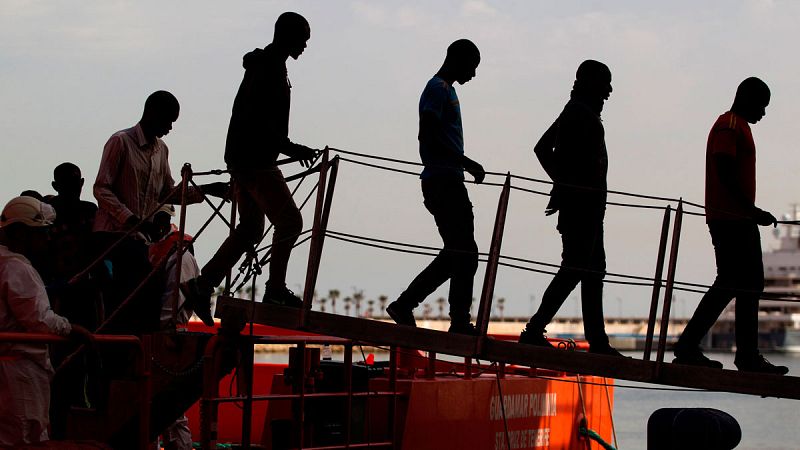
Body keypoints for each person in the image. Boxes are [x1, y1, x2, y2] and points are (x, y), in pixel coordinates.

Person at [183, 12, 318, 317]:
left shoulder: (269, 66)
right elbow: (259, 122)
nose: (305, 45)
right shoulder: (269, 68)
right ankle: (275, 290)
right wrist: (291, 148)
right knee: (290, 223)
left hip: (245, 158)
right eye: (303, 39)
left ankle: (202, 284)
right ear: (287, 36)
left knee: (251, 228)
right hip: (255, 160)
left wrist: (287, 148)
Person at [673, 77, 788, 375]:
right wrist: (752, 211)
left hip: (734, 218)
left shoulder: (736, 126)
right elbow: (724, 169)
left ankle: (703, 348)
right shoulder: (730, 125)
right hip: (732, 219)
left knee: (737, 283)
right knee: (739, 283)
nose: (763, 113)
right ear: (747, 98)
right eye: (762, 106)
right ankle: (740, 356)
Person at [93, 90, 226, 328]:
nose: (170, 128)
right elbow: (101, 189)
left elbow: (167, 193)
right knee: (142, 274)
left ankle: (171, 322)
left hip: (142, 237)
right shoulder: (120, 142)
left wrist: (207, 189)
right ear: (152, 113)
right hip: (114, 236)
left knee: (183, 254)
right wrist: (131, 220)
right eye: (168, 121)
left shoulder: (161, 150)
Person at [518, 60, 622, 356]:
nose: (609, 91)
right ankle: (535, 329)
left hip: (589, 208)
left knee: (592, 270)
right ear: (590, 83)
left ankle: (597, 341)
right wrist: (567, 186)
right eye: (605, 83)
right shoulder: (577, 112)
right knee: (576, 268)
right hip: (582, 208)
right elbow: (542, 149)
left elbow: (543, 149)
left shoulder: (578, 110)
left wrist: (564, 184)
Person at [386, 39, 485, 335]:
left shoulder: (447, 90)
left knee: (459, 252)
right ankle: (453, 319)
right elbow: (427, 133)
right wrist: (466, 162)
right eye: (472, 67)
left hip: (447, 178)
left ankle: (411, 305)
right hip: (443, 180)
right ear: (459, 60)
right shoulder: (437, 89)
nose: (473, 74)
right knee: (464, 252)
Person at [0, 196, 91, 446]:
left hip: (10, 368)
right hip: (19, 372)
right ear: (20, 232)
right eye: (41, 233)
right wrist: (72, 329)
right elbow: (39, 320)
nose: (47, 239)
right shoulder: (16, 268)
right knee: (26, 437)